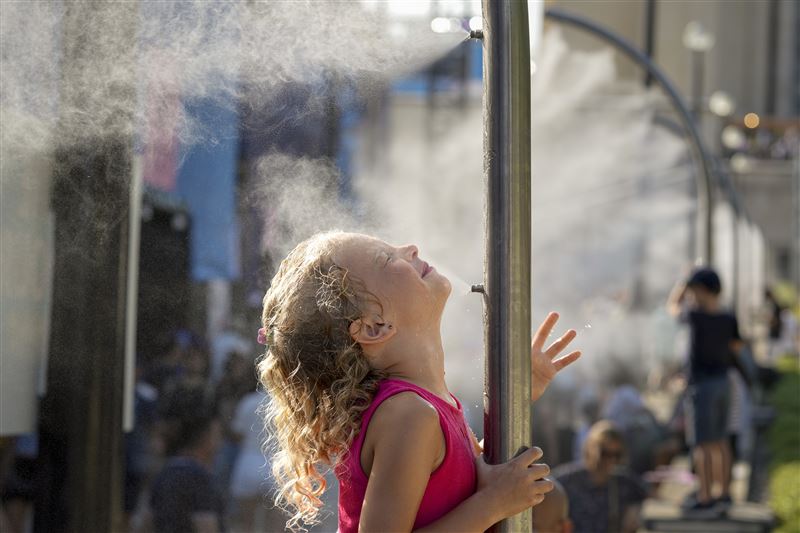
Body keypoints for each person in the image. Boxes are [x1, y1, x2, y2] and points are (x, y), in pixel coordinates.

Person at [256, 232, 581, 531]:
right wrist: (492, 504)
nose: (409, 248)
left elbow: (454, 478)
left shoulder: (420, 406)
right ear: (373, 327)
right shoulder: (408, 414)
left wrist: (518, 398)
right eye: (386, 259)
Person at [667, 267, 748, 516]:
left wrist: (682, 281)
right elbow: (736, 347)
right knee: (721, 441)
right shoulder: (728, 317)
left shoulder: (695, 315)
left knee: (701, 444)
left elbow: (672, 307)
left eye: (694, 289)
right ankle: (723, 494)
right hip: (724, 381)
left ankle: (704, 497)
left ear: (701, 290)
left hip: (701, 385)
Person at [149, 384, 226, 533]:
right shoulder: (199, 479)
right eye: (217, 433)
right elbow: (206, 527)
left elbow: (145, 524)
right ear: (207, 435)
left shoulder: (165, 473)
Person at [553, 421, 647, 533]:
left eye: (616, 454)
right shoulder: (567, 479)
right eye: (604, 453)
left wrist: (636, 511)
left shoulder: (624, 481)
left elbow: (651, 494)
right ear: (590, 449)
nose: (611, 460)